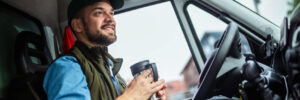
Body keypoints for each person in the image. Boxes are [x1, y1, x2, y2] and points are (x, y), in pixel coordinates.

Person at [43, 0, 167, 100]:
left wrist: (144, 94)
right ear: (78, 25)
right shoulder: (67, 66)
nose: (111, 19)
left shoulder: (111, 68)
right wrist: (131, 96)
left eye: (111, 13)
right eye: (99, 13)